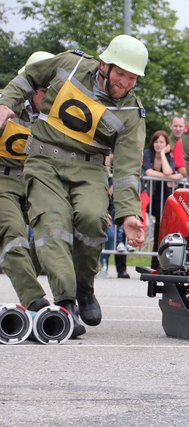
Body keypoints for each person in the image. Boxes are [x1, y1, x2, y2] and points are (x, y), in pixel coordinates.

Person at [0, 34, 149, 338]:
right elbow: (29, 77)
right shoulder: (72, 63)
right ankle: (65, 304)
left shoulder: (133, 113)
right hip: (43, 161)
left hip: (90, 167)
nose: (125, 83)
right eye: (121, 73)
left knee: (94, 219)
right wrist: (5, 104)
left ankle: (84, 288)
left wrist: (129, 213)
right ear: (105, 65)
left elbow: (127, 167)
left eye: (133, 78)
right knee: (52, 226)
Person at [0, 51, 54, 312]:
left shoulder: (59, 115)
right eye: (45, 91)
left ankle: (69, 300)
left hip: (37, 181)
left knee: (57, 229)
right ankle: (35, 301)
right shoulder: (5, 105)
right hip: (3, 181)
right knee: (13, 232)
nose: (51, 97)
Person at [143, 130, 181, 270]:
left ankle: (157, 263)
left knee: (160, 229)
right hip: (148, 194)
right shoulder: (147, 154)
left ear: (166, 145)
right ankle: (121, 267)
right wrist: (168, 177)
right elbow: (148, 172)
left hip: (162, 195)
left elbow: (168, 170)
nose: (158, 144)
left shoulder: (168, 156)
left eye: (162, 142)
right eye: (156, 141)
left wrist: (164, 155)